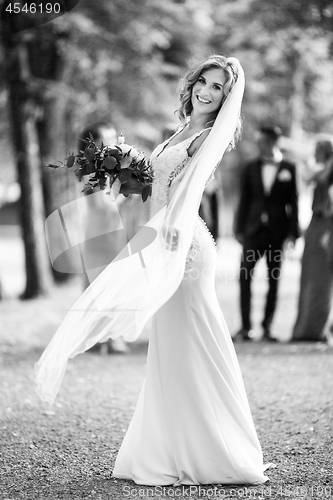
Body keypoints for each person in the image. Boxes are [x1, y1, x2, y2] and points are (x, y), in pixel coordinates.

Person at [35, 55, 273, 485]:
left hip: (182, 241)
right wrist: (121, 171)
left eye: (218, 87)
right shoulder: (181, 130)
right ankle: (170, 443)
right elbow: (156, 185)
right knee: (170, 346)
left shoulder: (208, 136)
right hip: (161, 232)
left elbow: (188, 190)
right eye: (204, 81)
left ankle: (218, 450)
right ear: (194, 82)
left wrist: (171, 236)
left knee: (197, 339)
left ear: (226, 97)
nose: (206, 90)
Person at [234, 126, 300, 341]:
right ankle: (245, 327)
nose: (258, 145)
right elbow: (244, 199)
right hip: (253, 232)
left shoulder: (290, 168)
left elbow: (294, 201)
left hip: (277, 233)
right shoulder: (250, 167)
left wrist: (293, 233)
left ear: (273, 142)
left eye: (262, 141)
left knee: (273, 279)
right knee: (245, 276)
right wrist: (239, 228)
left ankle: (267, 327)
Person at [78, 121, 129, 354]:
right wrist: (128, 191)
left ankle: (107, 337)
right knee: (100, 289)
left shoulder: (108, 171)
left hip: (111, 234)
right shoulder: (90, 171)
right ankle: (100, 338)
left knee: (112, 287)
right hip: (98, 236)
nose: (112, 143)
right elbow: (104, 204)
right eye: (106, 139)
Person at [292, 136, 333, 342]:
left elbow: (308, 176)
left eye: (317, 150)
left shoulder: (329, 172)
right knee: (310, 277)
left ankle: (314, 329)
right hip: (316, 225)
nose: (314, 154)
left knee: (320, 279)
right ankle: (307, 328)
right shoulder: (324, 170)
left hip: (325, 226)